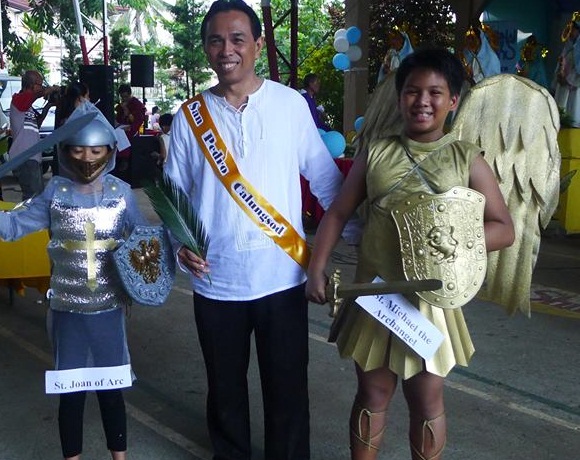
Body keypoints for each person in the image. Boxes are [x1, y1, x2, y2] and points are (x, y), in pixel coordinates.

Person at [163, 1, 358, 458]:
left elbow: (326, 180)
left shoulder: (289, 105)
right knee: (225, 392)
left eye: (236, 39)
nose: (226, 49)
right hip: (216, 281)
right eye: (215, 40)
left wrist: (358, 240)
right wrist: (178, 245)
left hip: (282, 277)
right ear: (206, 49)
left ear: (257, 44)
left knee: (288, 390)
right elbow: (174, 196)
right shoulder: (191, 117)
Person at [305, 48, 515, 460]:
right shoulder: (375, 152)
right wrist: (317, 266)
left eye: (436, 92)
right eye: (413, 91)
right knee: (372, 391)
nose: (423, 101)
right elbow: (338, 212)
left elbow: (503, 228)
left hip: (431, 302)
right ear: (399, 96)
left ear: (453, 100)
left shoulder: (466, 159)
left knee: (427, 399)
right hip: (376, 294)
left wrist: (451, 247)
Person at [0, 106, 149, 460]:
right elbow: (13, 226)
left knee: (111, 391)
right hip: (66, 309)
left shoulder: (122, 193)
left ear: (109, 152)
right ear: (66, 151)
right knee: (72, 393)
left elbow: (148, 240)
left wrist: (183, 243)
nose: (87, 157)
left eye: (96, 151)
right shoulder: (54, 192)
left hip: (109, 311)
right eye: (79, 150)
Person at [8, 69, 59, 200]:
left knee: (35, 197)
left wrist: (48, 106)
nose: (42, 88)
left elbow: (36, 125)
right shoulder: (18, 100)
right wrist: (47, 91)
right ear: (31, 84)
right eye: (40, 84)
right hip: (25, 156)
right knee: (33, 198)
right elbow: (32, 96)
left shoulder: (27, 106)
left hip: (32, 157)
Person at [553, 13, 580, 127]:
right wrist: (559, 76)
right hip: (563, 89)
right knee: (561, 120)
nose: (570, 32)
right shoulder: (568, 48)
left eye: (573, 29)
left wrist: (568, 80)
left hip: (575, 91)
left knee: (573, 120)